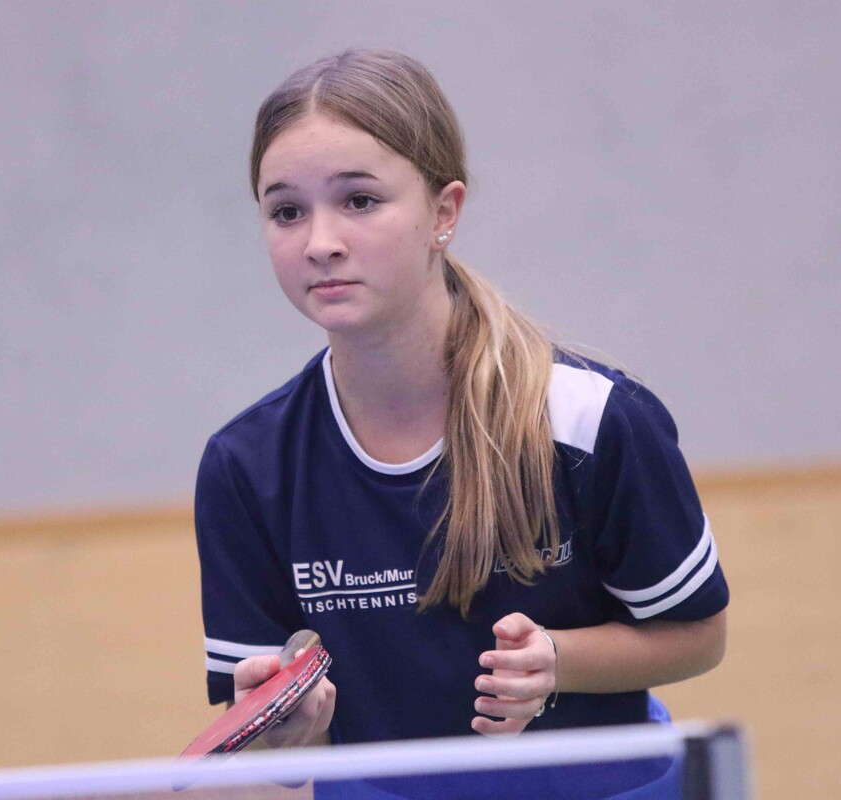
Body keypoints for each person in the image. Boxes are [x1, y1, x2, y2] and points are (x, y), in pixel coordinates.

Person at [194, 49, 728, 755]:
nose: (321, 243)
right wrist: (292, 730)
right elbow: (273, 758)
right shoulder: (246, 467)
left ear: (443, 211)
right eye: (287, 211)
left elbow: (700, 634)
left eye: (360, 201)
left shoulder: (590, 422)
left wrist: (559, 661)